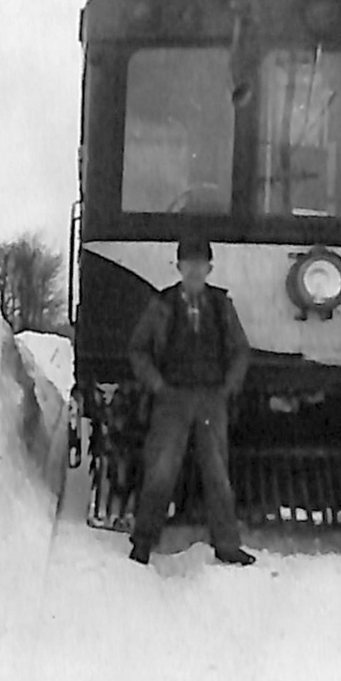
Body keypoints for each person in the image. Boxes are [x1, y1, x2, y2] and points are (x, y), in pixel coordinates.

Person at [127, 235, 256, 567]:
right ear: (179, 267)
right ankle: (143, 541)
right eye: (189, 264)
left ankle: (227, 545)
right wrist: (157, 386)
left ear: (209, 268)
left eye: (200, 264)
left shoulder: (221, 305)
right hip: (172, 400)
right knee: (160, 470)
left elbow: (240, 350)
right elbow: (138, 349)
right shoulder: (162, 305)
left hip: (211, 400)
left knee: (217, 474)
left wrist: (228, 387)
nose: (195, 270)